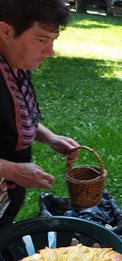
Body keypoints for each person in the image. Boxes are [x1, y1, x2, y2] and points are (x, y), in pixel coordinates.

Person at [0, 0, 80, 227]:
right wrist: (12, 170)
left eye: (53, 41)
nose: (51, 51)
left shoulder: (15, 64)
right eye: (41, 39)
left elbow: (16, 114)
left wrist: (49, 137)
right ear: (5, 31)